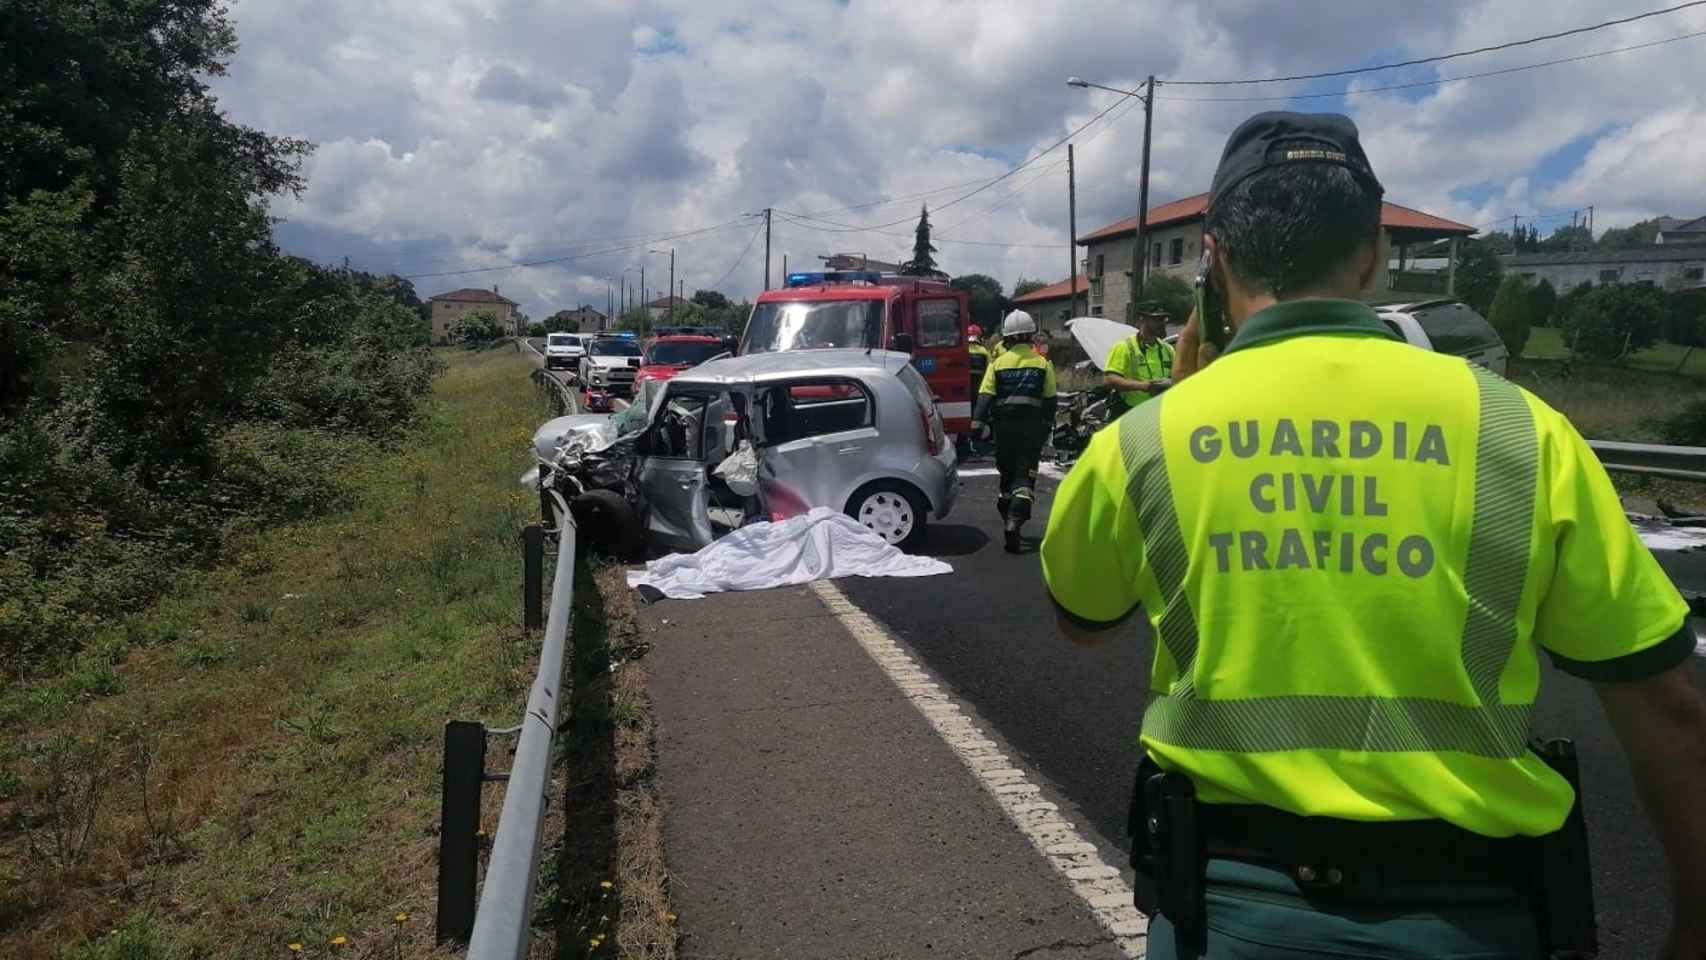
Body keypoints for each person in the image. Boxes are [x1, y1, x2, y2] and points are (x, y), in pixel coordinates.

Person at [1041, 111, 1706, 959]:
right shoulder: (1523, 431)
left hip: (1228, 915)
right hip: (1477, 918)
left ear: (1213, 257)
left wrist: (1186, 400)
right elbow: (1663, 702)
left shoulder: (1142, 442)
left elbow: (1082, 617)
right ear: (1375, 252)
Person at [972, 309, 1057, 553]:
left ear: (1006, 337)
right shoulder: (1042, 364)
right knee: (1025, 475)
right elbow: (1050, 401)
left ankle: (1006, 505)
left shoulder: (998, 364)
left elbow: (985, 396)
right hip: (1032, 430)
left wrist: (976, 426)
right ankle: (1015, 520)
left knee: (1007, 474)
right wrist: (1047, 427)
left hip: (1004, 429)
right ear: (1031, 336)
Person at [1103, 309, 1174, 410]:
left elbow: (1179, 375)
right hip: (1132, 411)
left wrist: (1170, 382)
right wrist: (1143, 386)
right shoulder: (1124, 347)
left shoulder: (1167, 349)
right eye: (1156, 319)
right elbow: (1109, 380)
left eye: (1164, 319)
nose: (1162, 323)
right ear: (1142, 320)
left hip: (1161, 409)